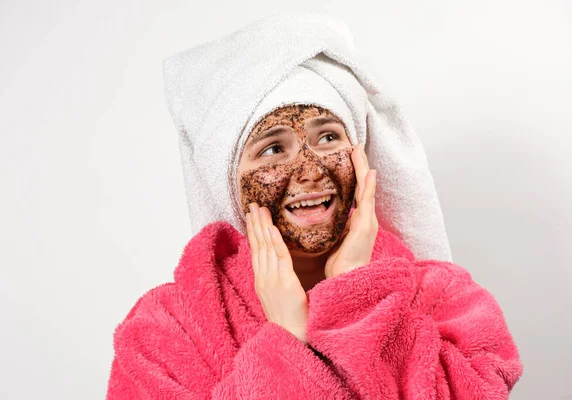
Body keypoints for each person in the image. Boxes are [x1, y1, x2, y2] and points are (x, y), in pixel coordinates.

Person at [106, 13, 522, 399]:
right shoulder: (161, 335)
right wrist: (287, 338)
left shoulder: (449, 302)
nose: (309, 171)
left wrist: (355, 299)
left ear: (360, 156)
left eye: (327, 138)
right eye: (272, 148)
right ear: (228, 182)